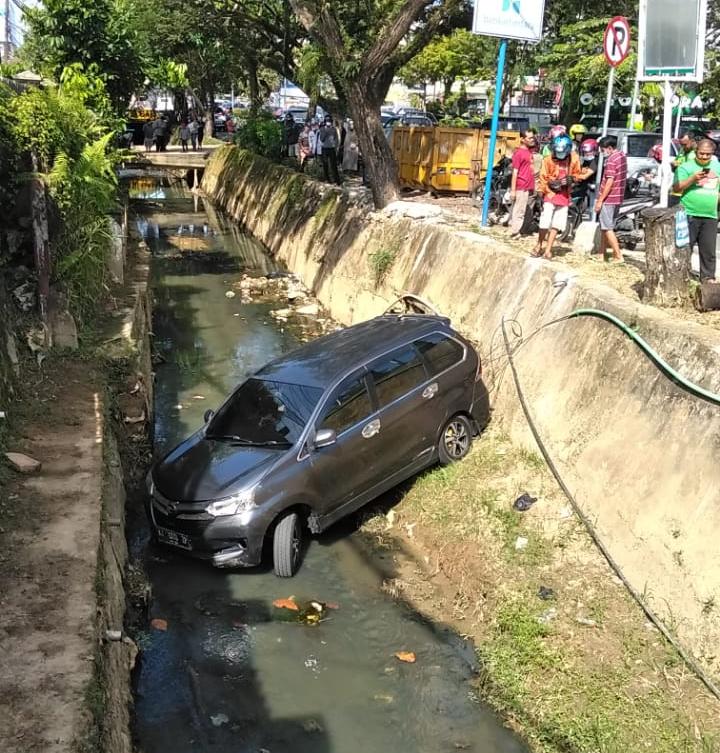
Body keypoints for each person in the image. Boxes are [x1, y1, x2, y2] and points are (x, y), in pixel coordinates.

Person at [533, 134, 591, 259]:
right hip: (550, 193)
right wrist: (541, 193)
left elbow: (577, 175)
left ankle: (548, 249)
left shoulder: (574, 159)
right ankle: (539, 245)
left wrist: (572, 179)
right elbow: (542, 178)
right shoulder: (547, 160)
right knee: (544, 222)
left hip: (564, 195)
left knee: (557, 224)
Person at [674, 138, 720, 283]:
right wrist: (693, 178)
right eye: (701, 154)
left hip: (710, 215)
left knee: (708, 252)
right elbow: (677, 187)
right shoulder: (685, 167)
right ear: (696, 152)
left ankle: (708, 280)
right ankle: (680, 278)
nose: (705, 157)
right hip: (689, 213)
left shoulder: (717, 166)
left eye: (708, 154)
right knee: (684, 248)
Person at [594, 135, 628, 263]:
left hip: (609, 198)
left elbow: (610, 181)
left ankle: (618, 255)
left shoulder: (611, 160)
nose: (602, 153)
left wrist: (600, 200)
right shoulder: (622, 156)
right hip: (618, 197)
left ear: (609, 148)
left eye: (603, 150)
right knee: (605, 226)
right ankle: (601, 253)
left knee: (608, 228)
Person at [508, 129, 537, 239]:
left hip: (528, 186)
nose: (532, 139)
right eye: (529, 138)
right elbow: (515, 172)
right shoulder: (519, 153)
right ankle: (515, 231)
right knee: (519, 210)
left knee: (524, 209)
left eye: (532, 137)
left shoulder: (529, 152)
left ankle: (519, 230)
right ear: (522, 139)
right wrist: (513, 190)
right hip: (521, 186)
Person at [669, 130, 700, 206]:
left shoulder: (698, 154)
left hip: (688, 192)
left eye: (685, 144)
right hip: (676, 190)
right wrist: (673, 165)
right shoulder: (683, 150)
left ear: (692, 141)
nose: (683, 147)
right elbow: (677, 162)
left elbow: (694, 172)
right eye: (681, 144)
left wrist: (680, 166)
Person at [319, 115, 341, 184]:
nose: (328, 123)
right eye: (327, 121)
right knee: (325, 164)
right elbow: (321, 139)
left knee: (333, 165)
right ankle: (327, 179)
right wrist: (326, 131)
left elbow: (336, 139)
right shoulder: (322, 129)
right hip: (325, 148)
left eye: (330, 121)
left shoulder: (334, 129)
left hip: (332, 148)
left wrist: (336, 147)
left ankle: (337, 180)